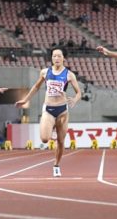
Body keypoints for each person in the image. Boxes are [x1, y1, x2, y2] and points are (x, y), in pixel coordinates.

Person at [15, 48, 83, 177]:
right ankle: (51, 127)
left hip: (62, 110)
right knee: (45, 139)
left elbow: (79, 92)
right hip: (49, 109)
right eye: (54, 56)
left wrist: (74, 99)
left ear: (63, 58)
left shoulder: (69, 75)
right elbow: (36, 87)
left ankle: (56, 165)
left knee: (61, 142)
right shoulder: (45, 72)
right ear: (51, 58)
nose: (56, 58)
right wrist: (25, 100)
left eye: (59, 56)